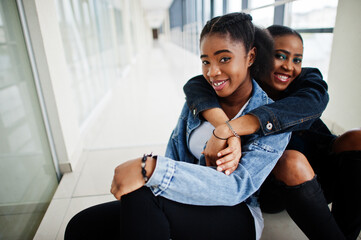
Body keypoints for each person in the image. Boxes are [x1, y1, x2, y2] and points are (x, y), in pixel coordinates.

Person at [65, 13, 291, 240]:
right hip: (185, 201)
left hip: (237, 213)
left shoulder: (271, 118)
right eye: (206, 61)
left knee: (141, 197)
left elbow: (236, 187)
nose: (212, 72)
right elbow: (174, 155)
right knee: (82, 225)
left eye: (224, 59)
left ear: (250, 56)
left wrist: (152, 169)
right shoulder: (200, 101)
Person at [183, 25, 361, 239]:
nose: (288, 67)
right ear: (257, 56)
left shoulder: (306, 79)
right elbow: (196, 86)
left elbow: (314, 101)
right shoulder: (244, 86)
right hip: (276, 184)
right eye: (280, 56)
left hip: (321, 171)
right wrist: (224, 125)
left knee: (357, 137)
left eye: (296, 60)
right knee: (291, 160)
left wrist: (229, 129)